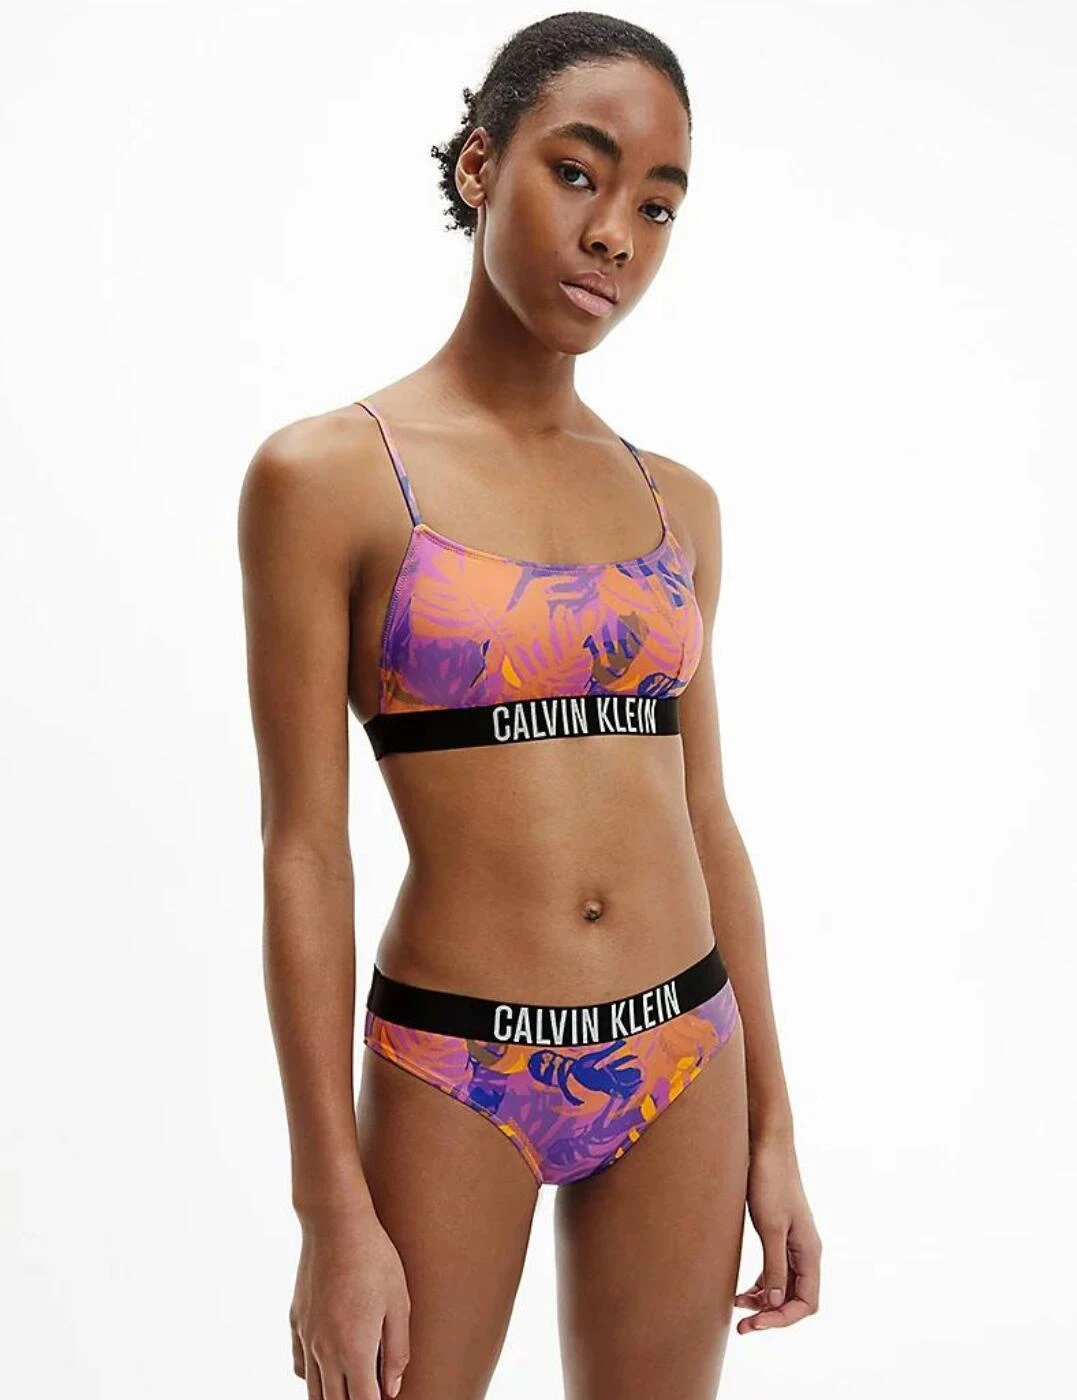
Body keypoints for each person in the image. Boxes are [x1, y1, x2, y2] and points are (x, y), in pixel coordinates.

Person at [238, 12, 821, 1399]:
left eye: (658, 205)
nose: (616, 234)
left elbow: (707, 819)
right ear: (479, 166)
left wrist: (775, 1130)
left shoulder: (678, 505)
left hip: (687, 1050)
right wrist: (329, 1209)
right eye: (578, 172)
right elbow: (305, 849)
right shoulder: (327, 478)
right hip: (459, 1063)